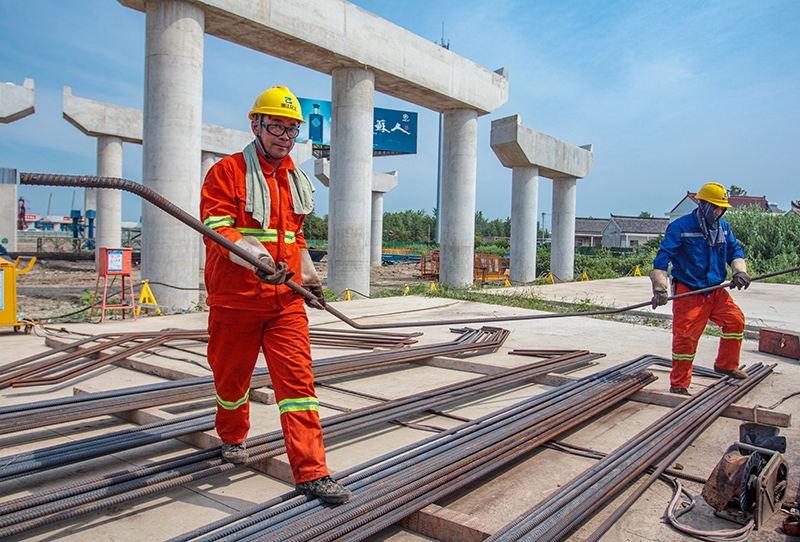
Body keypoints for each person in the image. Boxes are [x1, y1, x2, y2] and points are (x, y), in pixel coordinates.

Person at [200, 86, 350, 504]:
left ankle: (312, 472)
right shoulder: (227, 173)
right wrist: (258, 259)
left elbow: (294, 236)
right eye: (276, 127)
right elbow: (219, 232)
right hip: (236, 302)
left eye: (291, 130)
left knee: (299, 386)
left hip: (285, 303)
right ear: (256, 125)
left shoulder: (293, 180)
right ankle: (232, 436)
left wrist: (311, 278)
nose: (284, 137)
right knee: (231, 383)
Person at [650, 182, 752, 396]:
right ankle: (679, 384)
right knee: (685, 339)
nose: (718, 212)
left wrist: (739, 271)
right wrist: (660, 288)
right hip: (690, 292)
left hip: (715, 290)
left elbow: (734, 249)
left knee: (735, 320)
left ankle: (726, 365)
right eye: (715, 207)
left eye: (721, 208)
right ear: (703, 205)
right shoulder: (681, 227)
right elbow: (664, 256)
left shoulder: (723, 227)